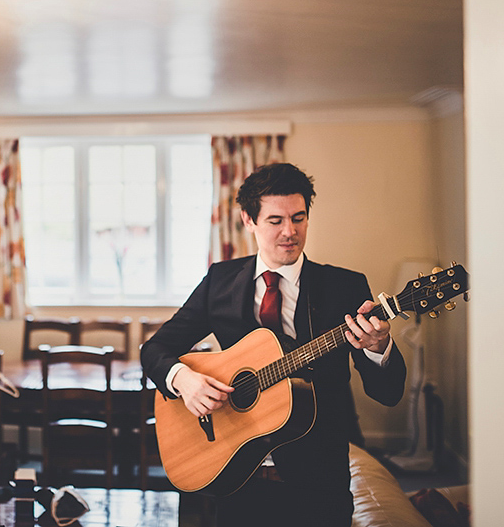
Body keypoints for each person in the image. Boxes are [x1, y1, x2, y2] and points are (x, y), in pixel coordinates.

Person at [140, 162, 406, 527]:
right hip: (233, 471)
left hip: (317, 480)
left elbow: (388, 392)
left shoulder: (344, 288)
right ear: (249, 221)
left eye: (299, 218)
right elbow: (155, 350)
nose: (290, 232)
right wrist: (184, 380)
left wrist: (378, 348)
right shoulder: (221, 281)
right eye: (275, 221)